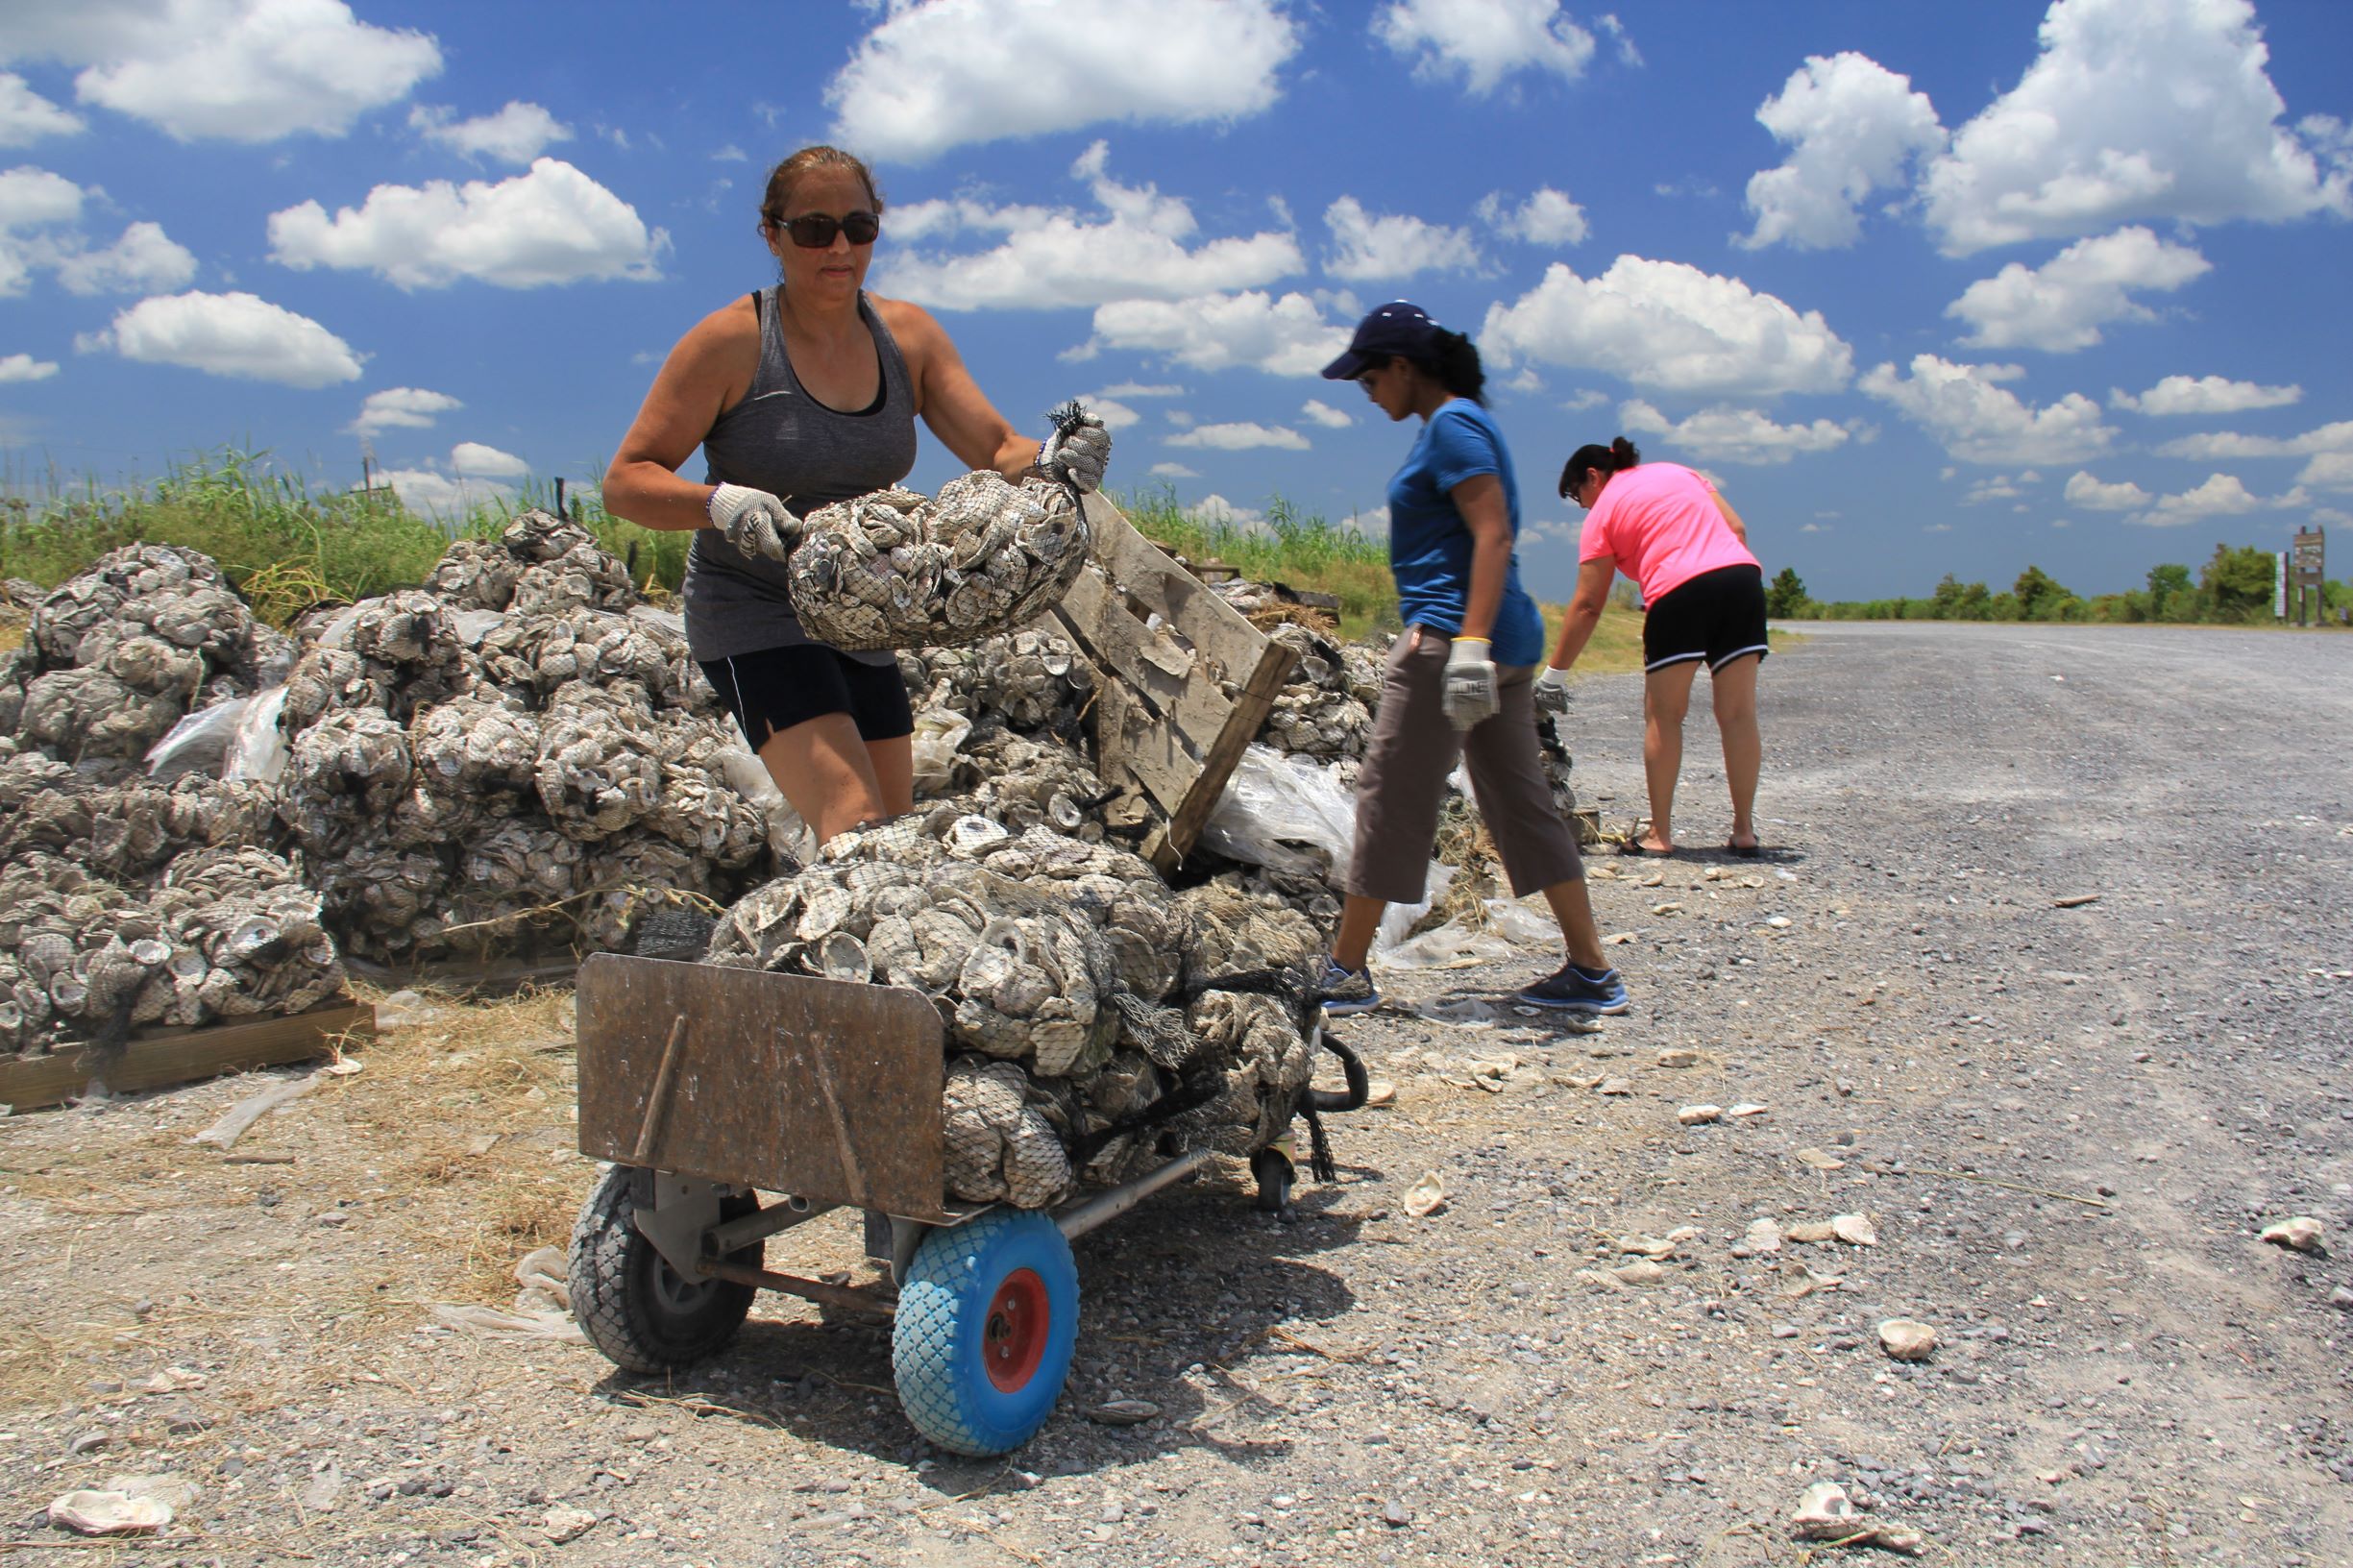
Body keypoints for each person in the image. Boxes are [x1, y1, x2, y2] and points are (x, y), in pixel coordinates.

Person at [602, 145, 1110, 845]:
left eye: (858, 227)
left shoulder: (907, 338)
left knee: (892, 839)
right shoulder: (732, 342)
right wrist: (721, 505)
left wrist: (1054, 456)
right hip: (755, 612)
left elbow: (996, 447)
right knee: (856, 826)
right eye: (814, 229)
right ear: (773, 234)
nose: (839, 247)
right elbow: (627, 480)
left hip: (863, 619)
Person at [1311, 302, 1629, 1017]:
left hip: (1453, 641)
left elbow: (1493, 532)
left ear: (1402, 366)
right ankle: (1591, 970)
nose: (1368, 395)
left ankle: (1345, 970)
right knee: (1520, 802)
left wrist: (1469, 646)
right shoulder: (1462, 424)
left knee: (1391, 797)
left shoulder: (1453, 426)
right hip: (1503, 644)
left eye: (1370, 380)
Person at [1540, 437, 1766, 857]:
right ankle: (1744, 831)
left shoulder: (1603, 513)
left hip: (1678, 591)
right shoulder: (1680, 472)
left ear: (1593, 476)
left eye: (1575, 494)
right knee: (1738, 713)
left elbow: (1588, 605)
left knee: (1664, 716)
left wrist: (1554, 675)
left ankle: (1660, 835)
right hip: (1741, 579)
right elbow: (1736, 529)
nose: (1582, 505)